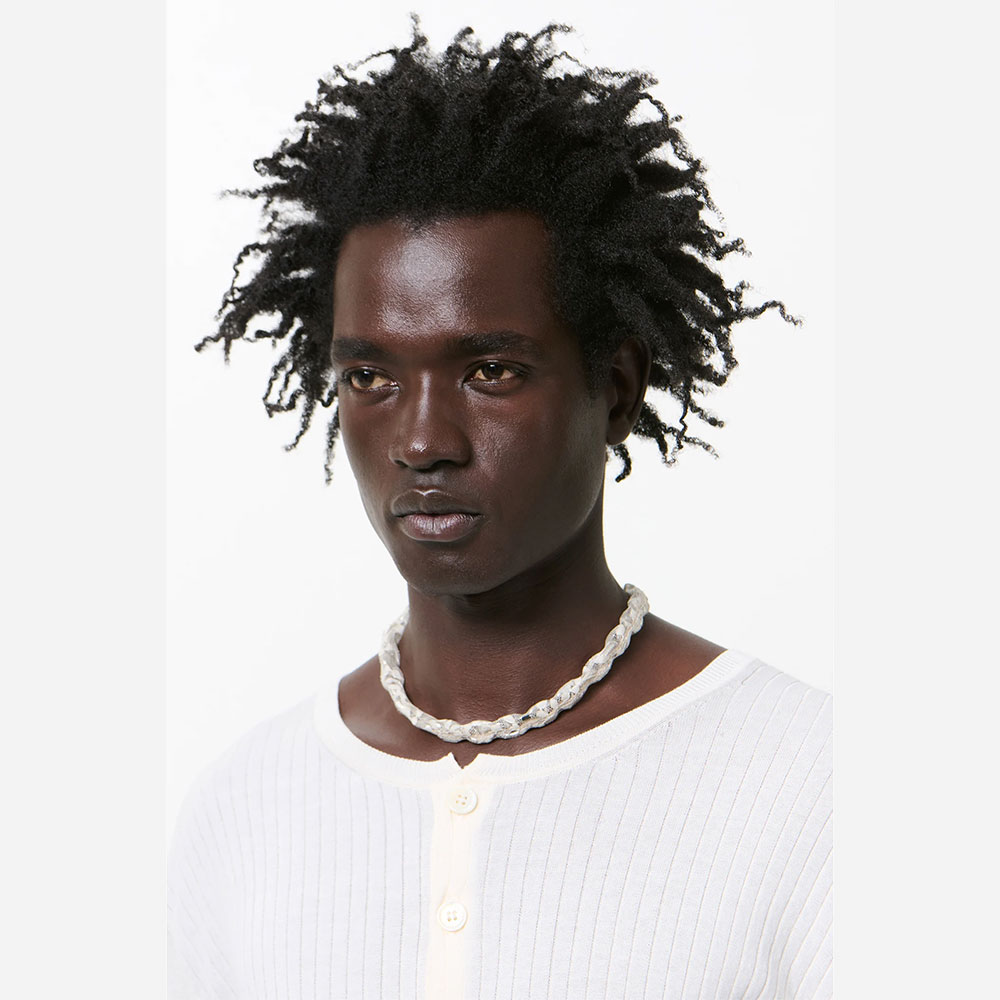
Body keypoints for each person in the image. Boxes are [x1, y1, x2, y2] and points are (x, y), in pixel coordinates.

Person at [167, 22, 832, 1000]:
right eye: (370, 376)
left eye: (489, 371)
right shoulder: (243, 810)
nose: (422, 440)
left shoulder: (811, 785)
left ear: (616, 387)